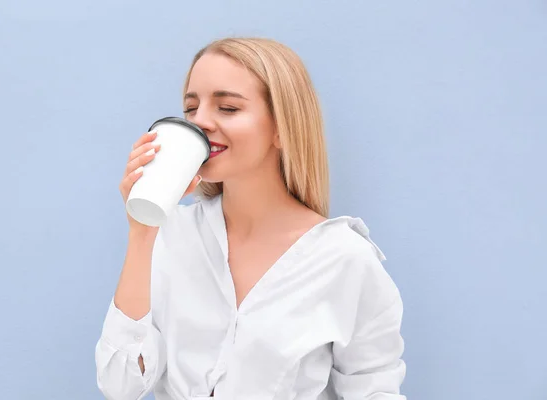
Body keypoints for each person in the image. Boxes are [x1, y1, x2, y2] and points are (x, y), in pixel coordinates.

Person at [95, 37, 407, 400]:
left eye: (227, 107)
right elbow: (121, 386)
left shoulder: (344, 259)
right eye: (191, 108)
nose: (201, 123)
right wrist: (142, 230)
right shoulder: (171, 236)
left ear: (281, 128)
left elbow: (374, 390)